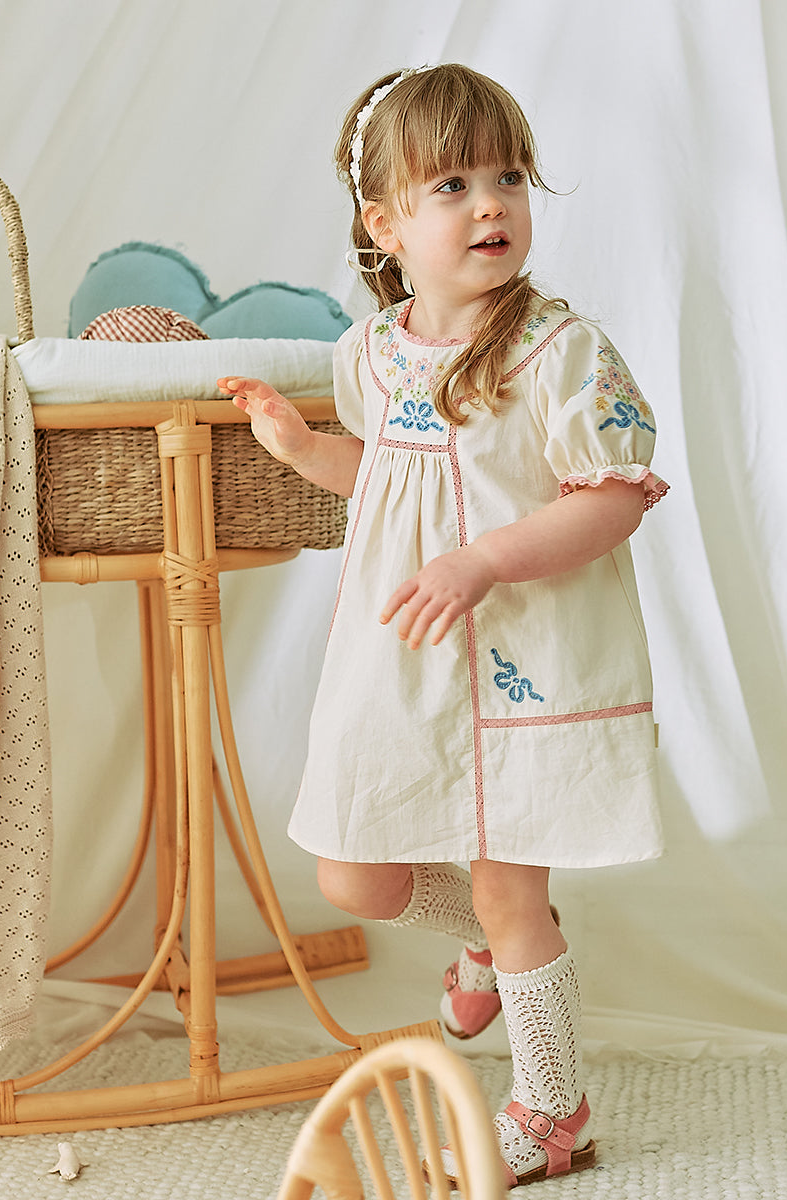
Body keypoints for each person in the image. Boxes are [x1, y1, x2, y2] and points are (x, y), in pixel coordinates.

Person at [218, 62, 668, 1188]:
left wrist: (484, 560)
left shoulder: (559, 350)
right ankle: (483, 934)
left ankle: (551, 1108)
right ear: (387, 226)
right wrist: (302, 451)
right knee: (352, 874)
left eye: (509, 176)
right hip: (407, 659)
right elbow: (390, 480)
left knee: (514, 889)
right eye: (454, 185)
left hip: (525, 658)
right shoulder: (372, 353)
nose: (491, 204)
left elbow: (613, 499)